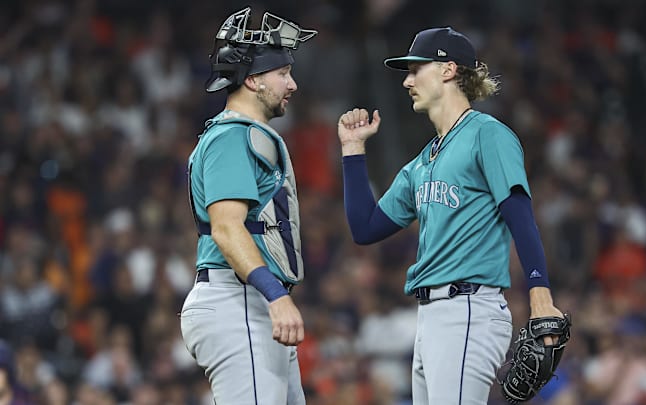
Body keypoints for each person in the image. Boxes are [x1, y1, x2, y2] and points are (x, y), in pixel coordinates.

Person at [337, 27, 565, 404]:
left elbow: (520, 214)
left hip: (468, 309)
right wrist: (352, 151)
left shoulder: (487, 135)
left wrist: (540, 294)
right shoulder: (421, 162)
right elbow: (365, 228)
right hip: (430, 318)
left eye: (416, 69)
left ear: (447, 70)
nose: (408, 80)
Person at [180, 8, 316, 404]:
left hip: (246, 300)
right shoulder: (233, 137)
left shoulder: (244, 135)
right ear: (253, 80)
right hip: (237, 299)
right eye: (283, 73)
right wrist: (275, 294)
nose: (292, 84)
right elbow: (226, 227)